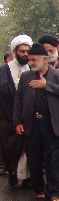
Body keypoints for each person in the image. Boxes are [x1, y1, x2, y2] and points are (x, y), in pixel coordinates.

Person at [13, 43, 59, 201]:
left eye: (34, 59)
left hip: (52, 123)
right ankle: (39, 188)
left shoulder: (58, 75)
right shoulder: (26, 77)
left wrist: (46, 86)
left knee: (53, 160)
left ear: (45, 59)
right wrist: (17, 121)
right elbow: (19, 101)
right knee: (35, 159)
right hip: (32, 124)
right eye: (29, 60)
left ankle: (53, 192)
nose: (30, 62)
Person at [0, 35, 32, 187]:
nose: (25, 54)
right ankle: (13, 173)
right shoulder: (3, 71)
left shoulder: (31, 69)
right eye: (22, 51)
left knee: (28, 148)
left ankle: (27, 177)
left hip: (27, 116)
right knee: (10, 149)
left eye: (27, 51)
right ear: (14, 52)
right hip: (7, 116)